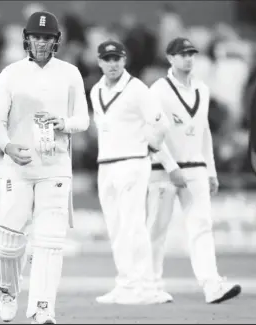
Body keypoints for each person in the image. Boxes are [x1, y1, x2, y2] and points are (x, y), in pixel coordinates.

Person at [0, 11, 89, 324]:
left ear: (56, 40)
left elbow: (83, 120)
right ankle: (7, 292)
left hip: (56, 166)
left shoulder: (70, 73)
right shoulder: (11, 73)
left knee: (50, 241)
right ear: (27, 38)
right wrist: (7, 146)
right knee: (8, 239)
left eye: (47, 37)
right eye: (36, 36)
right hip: (17, 167)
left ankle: (42, 309)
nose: (41, 42)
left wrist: (65, 123)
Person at [146, 37, 242, 304]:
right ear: (170, 58)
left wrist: (210, 169)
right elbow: (152, 135)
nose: (188, 58)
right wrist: (170, 165)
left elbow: (204, 132)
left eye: (191, 53)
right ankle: (151, 284)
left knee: (202, 227)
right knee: (157, 228)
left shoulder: (202, 88)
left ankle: (211, 285)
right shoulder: (158, 90)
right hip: (163, 171)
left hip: (195, 168)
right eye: (182, 54)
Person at [89, 40, 171, 305]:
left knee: (132, 224)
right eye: (107, 59)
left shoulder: (137, 89)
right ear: (99, 61)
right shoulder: (96, 90)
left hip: (133, 162)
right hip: (106, 164)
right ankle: (126, 283)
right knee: (115, 226)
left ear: (124, 60)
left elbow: (161, 123)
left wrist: (149, 146)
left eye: (117, 59)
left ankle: (146, 286)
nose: (112, 64)